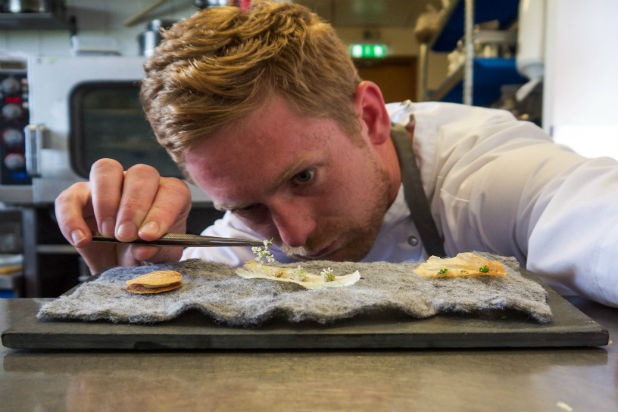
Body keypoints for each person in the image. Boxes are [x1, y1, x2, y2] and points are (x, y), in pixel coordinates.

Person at [55, 1, 618, 307]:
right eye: (248, 206)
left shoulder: (483, 174)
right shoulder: (247, 244)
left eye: (304, 177)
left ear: (370, 117)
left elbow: (586, 212)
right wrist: (131, 284)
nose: (293, 237)